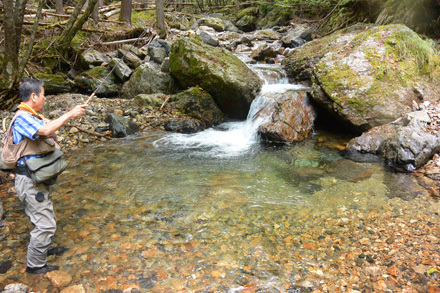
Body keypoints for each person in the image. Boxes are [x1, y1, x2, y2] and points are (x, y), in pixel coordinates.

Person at [11, 78, 88, 274]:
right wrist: (70, 113)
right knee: (44, 224)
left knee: (45, 214)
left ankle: (45, 248)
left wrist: (65, 118)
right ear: (34, 96)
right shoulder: (22, 117)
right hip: (29, 180)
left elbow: (50, 129)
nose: (45, 98)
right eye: (44, 94)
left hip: (37, 177)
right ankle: (35, 266)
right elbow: (45, 130)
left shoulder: (33, 116)